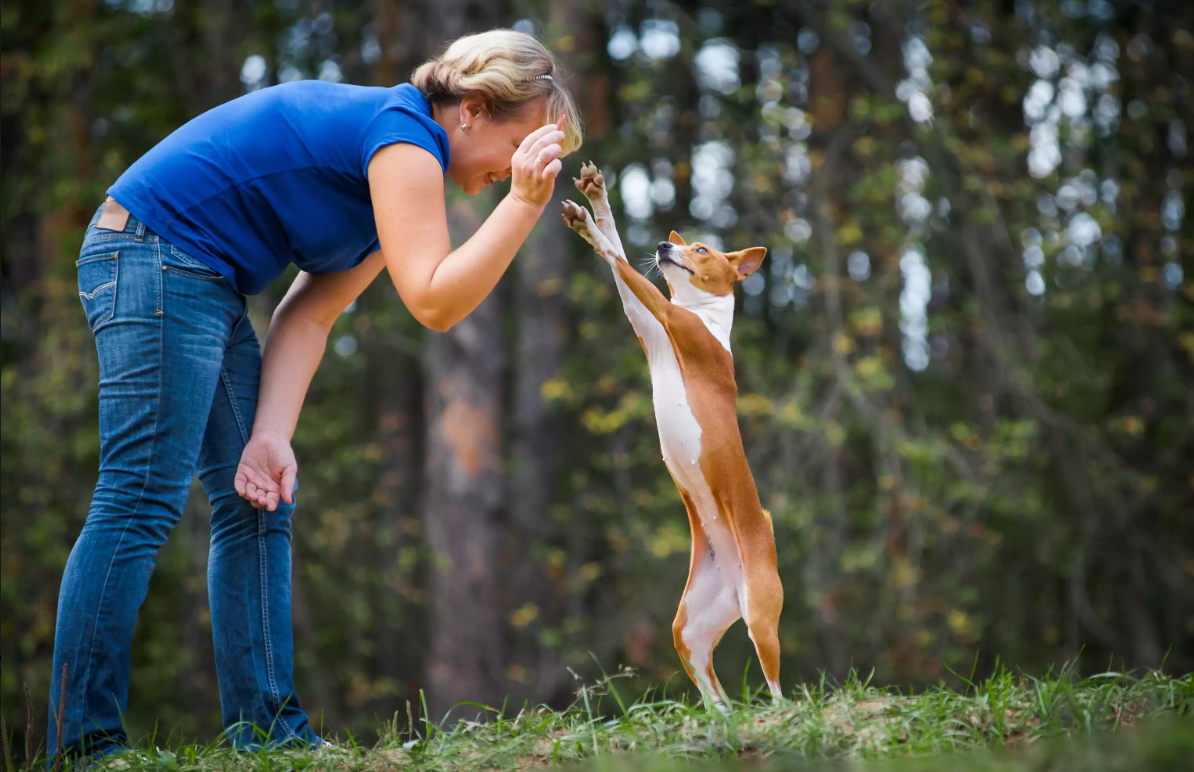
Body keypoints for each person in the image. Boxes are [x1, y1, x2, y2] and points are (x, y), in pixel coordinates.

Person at [48, 28, 582, 761]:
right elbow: (433, 301)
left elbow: (310, 314)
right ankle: (83, 746)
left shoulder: (393, 171)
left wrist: (270, 435)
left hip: (200, 277)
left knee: (259, 496)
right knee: (140, 495)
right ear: (473, 110)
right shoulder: (403, 139)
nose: (522, 168)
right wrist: (522, 205)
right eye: (523, 146)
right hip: (151, 252)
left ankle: (269, 737)